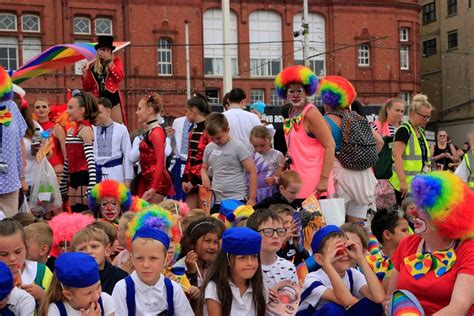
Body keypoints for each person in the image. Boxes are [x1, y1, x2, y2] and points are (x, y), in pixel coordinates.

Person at [387, 171, 474, 314]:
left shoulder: (468, 249)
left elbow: (459, 307)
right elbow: (392, 294)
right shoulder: (408, 244)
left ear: (443, 216)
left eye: (423, 209)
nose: (413, 214)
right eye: (416, 206)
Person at [320, 76, 378, 222]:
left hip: (340, 177)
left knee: (336, 225)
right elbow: (380, 141)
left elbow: (326, 149)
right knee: (357, 228)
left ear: (327, 101)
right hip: (364, 179)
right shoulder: (358, 118)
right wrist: (362, 158)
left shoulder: (325, 121)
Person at [274, 65, 335, 199]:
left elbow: (330, 145)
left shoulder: (311, 113)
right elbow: (292, 148)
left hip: (314, 183)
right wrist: (281, 168)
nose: (295, 95)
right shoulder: (291, 113)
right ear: (285, 93)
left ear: (306, 92)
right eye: (291, 91)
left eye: (299, 91)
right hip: (296, 182)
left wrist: (324, 179)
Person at [297, 225, 385, 315]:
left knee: (373, 304)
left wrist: (360, 258)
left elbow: (379, 297)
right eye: (337, 252)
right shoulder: (312, 279)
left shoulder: (352, 274)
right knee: (333, 309)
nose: (344, 255)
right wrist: (327, 263)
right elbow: (346, 300)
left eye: (347, 248)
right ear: (319, 259)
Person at [112, 227, 193, 315]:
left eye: (153, 258)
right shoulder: (122, 289)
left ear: (166, 259)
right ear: (132, 259)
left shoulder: (174, 289)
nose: (146, 265)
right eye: (139, 258)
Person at [201, 227, 266, 316]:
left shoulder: (259, 285)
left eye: (254, 256)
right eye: (242, 257)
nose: (250, 263)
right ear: (227, 259)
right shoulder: (214, 288)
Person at [201, 113, 257, 212]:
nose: (216, 141)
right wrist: (204, 176)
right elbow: (204, 168)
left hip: (236, 197)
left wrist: (252, 198)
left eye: (218, 138)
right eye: (212, 138)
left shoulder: (239, 147)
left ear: (227, 130)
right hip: (216, 199)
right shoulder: (209, 147)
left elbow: (252, 172)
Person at [59, 89, 99, 213]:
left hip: (84, 177)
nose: (67, 111)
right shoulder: (71, 130)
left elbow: (90, 160)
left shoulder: (86, 130)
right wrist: (62, 184)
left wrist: (92, 185)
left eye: (70, 108)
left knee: (84, 213)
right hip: (73, 177)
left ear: (81, 110)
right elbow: (68, 160)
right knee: (73, 212)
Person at [389, 94, 433, 205]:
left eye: (429, 117)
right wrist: (402, 181)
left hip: (418, 185)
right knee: (408, 218)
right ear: (413, 114)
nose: (426, 120)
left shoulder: (420, 132)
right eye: (424, 116)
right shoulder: (404, 130)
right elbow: (396, 155)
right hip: (405, 186)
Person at [40, 252, 115, 315]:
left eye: (98, 286)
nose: (96, 296)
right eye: (88, 293)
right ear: (68, 294)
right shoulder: (56, 310)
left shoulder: (105, 301)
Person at [0, 219, 53, 305]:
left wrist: (42, 296)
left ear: (26, 248)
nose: (12, 258)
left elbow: (57, 307)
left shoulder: (42, 272)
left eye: (18, 252)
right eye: (4, 254)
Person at [135, 92, 174, 203]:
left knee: (149, 216)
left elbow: (161, 162)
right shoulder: (152, 131)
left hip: (157, 181)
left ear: (149, 110)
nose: (137, 112)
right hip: (149, 179)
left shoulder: (156, 132)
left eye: (139, 109)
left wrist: (154, 187)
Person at [246, 209, 298, 289]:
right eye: (268, 231)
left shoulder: (289, 267)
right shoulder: (247, 268)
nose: (275, 236)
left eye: (280, 231)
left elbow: (293, 298)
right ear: (253, 235)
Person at [0, 67, 27, 217]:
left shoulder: (11, 107)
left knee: (8, 230)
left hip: (10, 180)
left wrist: (22, 177)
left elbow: (20, 143)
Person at [82, 35, 125, 124]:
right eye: (103, 49)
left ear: (111, 51)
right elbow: (87, 88)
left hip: (113, 98)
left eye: (108, 50)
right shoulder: (92, 66)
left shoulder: (116, 61)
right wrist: (84, 73)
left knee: (117, 127)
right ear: (98, 51)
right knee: (98, 127)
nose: (105, 52)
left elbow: (118, 78)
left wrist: (110, 63)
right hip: (98, 99)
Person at [71, 227, 128, 295]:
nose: (89, 251)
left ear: (107, 250)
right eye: (82, 249)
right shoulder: (70, 278)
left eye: (94, 246)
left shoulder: (120, 277)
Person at [371, 98, 405, 209]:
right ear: (388, 109)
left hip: (399, 179)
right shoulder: (376, 126)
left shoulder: (404, 129)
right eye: (397, 110)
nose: (400, 113)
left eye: (402, 111)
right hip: (380, 180)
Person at [367, 208, 410, 290]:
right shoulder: (370, 264)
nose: (409, 235)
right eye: (404, 231)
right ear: (387, 234)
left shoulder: (415, 258)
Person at [181, 93, 211, 208]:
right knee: (189, 215)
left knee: (205, 215)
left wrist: (192, 181)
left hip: (205, 180)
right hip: (192, 181)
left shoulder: (208, 131)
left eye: (186, 111)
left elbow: (208, 160)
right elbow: (190, 158)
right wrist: (185, 179)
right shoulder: (192, 132)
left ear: (194, 111)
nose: (186, 115)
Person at [94, 97, 133, 184]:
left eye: (99, 112)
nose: (96, 115)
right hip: (95, 174)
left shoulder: (121, 129)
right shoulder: (91, 129)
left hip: (116, 174)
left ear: (108, 111)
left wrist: (128, 179)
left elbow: (127, 154)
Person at [175, 218, 221, 288]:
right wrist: (191, 272)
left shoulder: (214, 266)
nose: (212, 247)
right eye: (207, 241)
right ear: (192, 244)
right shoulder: (179, 268)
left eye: (215, 242)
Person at [250, 125, 284, 203]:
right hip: (255, 193)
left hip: (270, 193)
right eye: (255, 146)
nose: (259, 149)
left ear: (269, 140)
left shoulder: (277, 154)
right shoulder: (253, 155)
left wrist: (275, 180)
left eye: (262, 145)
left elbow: (283, 175)